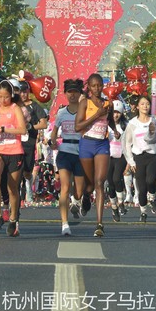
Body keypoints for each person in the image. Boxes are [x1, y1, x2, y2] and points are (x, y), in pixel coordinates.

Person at [0, 79, 28, 237]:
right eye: (0, 96)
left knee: (12, 188)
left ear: (11, 95)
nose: (3, 100)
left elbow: (22, 129)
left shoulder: (15, 108)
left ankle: (13, 218)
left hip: (14, 150)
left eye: (6, 97)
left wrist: (5, 129)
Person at [75, 73, 113, 238]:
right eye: (94, 86)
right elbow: (77, 126)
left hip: (102, 144)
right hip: (87, 144)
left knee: (99, 182)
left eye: (99, 85)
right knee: (89, 184)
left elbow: (110, 120)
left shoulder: (108, 103)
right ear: (89, 87)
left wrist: (116, 130)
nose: (97, 88)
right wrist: (96, 115)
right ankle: (86, 196)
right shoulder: (85, 103)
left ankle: (99, 224)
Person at [50, 79, 86, 237]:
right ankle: (64, 224)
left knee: (79, 189)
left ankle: (76, 200)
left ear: (80, 94)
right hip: (64, 151)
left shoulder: (84, 112)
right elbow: (54, 132)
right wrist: (52, 142)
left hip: (81, 152)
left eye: (75, 92)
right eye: (70, 92)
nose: (72, 95)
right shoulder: (61, 113)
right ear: (65, 94)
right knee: (65, 187)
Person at [123, 95, 156, 223]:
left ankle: (153, 197)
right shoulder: (132, 123)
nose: (145, 106)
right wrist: (131, 161)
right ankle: (143, 211)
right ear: (137, 106)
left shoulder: (154, 121)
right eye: (142, 104)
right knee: (141, 188)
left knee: (151, 180)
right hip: (138, 157)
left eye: (147, 104)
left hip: (152, 155)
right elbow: (127, 143)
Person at [18, 80, 48, 205]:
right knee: (16, 170)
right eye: (20, 92)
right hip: (15, 141)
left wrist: (30, 127)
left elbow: (44, 124)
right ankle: (19, 195)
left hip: (29, 142)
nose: (23, 94)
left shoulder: (34, 106)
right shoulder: (14, 105)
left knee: (27, 171)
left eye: (25, 92)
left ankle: (28, 186)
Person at [107, 101, 129, 221]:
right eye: (113, 112)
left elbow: (129, 141)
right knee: (110, 183)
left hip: (121, 155)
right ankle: (114, 207)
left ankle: (121, 202)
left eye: (118, 113)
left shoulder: (126, 125)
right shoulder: (106, 124)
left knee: (116, 178)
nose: (115, 115)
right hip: (108, 155)